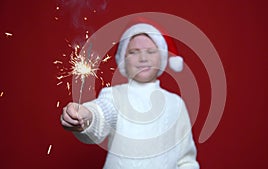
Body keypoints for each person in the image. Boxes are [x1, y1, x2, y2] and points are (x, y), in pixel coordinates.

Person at [60, 22, 200, 169]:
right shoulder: (114, 95)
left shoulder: (175, 103)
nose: (143, 58)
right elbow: (103, 111)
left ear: (162, 57)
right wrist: (88, 116)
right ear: (123, 59)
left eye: (151, 51)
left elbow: (186, 160)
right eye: (134, 51)